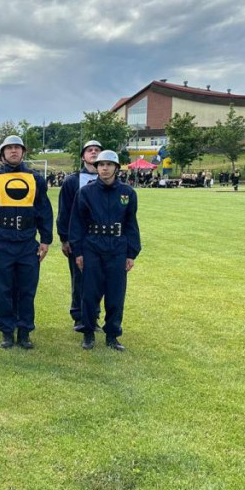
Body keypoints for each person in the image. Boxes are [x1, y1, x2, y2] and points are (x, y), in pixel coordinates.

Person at [0, 135, 53, 349]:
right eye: (9, 148)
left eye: (17, 148)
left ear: (23, 152)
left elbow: (44, 210)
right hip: (1, 242)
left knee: (27, 289)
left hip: (28, 242)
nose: (13, 151)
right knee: (4, 289)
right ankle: (7, 331)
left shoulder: (36, 179)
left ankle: (25, 330)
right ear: (2, 154)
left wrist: (45, 239)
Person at [68, 150, 141, 352]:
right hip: (93, 246)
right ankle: (88, 332)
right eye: (101, 165)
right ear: (96, 167)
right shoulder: (85, 192)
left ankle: (112, 335)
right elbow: (77, 224)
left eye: (109, 164)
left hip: (117, 247)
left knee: (116, 294)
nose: (105, 168)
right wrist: (79, 252)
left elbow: (131, 224)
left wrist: (131, 253)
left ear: (117, 168)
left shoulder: (127, 193)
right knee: (90, 293)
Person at [57, 139, 101, 334]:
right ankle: (79, 316)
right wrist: (64, 239)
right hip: (79, 239)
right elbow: (64, 211)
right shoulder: (72, 181)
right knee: (79, 278)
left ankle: (94, 316)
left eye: (97, 150)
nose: (94, 153)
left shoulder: (109, 179)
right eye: (90, 150)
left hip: (101, 239)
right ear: (83, 156)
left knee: (99, 279)